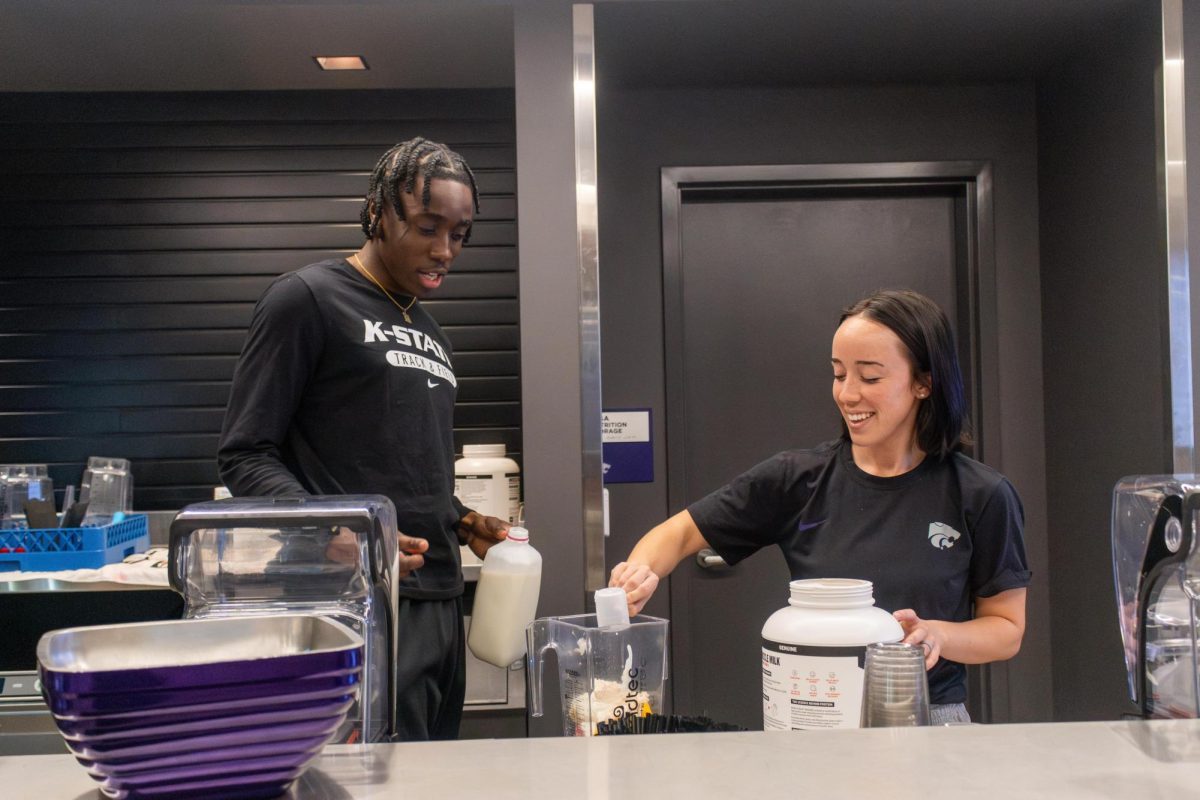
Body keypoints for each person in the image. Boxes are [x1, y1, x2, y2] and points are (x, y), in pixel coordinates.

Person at [609, 289, 1030, 724]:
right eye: (838, 374)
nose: (847, 395)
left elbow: (1006, 630)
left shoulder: (981, 495)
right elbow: (677, 534)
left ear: (924, 382)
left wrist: (935, 633)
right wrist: (641, 572)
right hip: (813, 717)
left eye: (869, 378)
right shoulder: (796, 479)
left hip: (927, 717)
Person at [217, 137, 510, 740]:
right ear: (379, 212)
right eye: (428, 227)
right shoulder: (308, 300)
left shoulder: (430, 330)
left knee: (431, 779)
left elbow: (395, 461)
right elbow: (245, 454)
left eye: (459, 234)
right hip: (351, 601)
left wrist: (460, 519)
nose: (445, 250)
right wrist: (334, 527)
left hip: (439, 599)